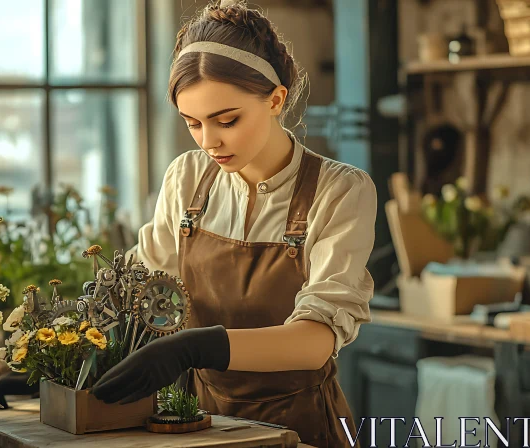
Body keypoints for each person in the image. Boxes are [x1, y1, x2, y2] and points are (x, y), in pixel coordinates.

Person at [92, 1, 376, 447]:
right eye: (193, 124)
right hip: (198, 425)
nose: (210, 142)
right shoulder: (187, 179)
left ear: (276, 100)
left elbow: (315, 341)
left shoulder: (340, 191)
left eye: (227, 121)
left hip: (301, 427)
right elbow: (139, 290)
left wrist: (196, 347)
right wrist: (64, 360)